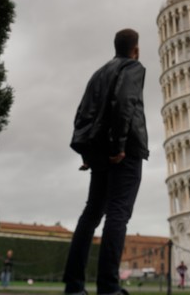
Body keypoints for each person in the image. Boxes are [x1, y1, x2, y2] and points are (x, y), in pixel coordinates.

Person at [63, 29, 149, 295]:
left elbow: (82, 113)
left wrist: (87, 153)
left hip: (99, 153)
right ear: (135, 49)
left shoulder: (98, 73)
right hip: (124, 151)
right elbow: (125, 103)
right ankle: (108, 287)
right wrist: (121, 144)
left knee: (91, 214)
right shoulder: (133, 67)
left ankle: (74, 286)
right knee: (117, 215)